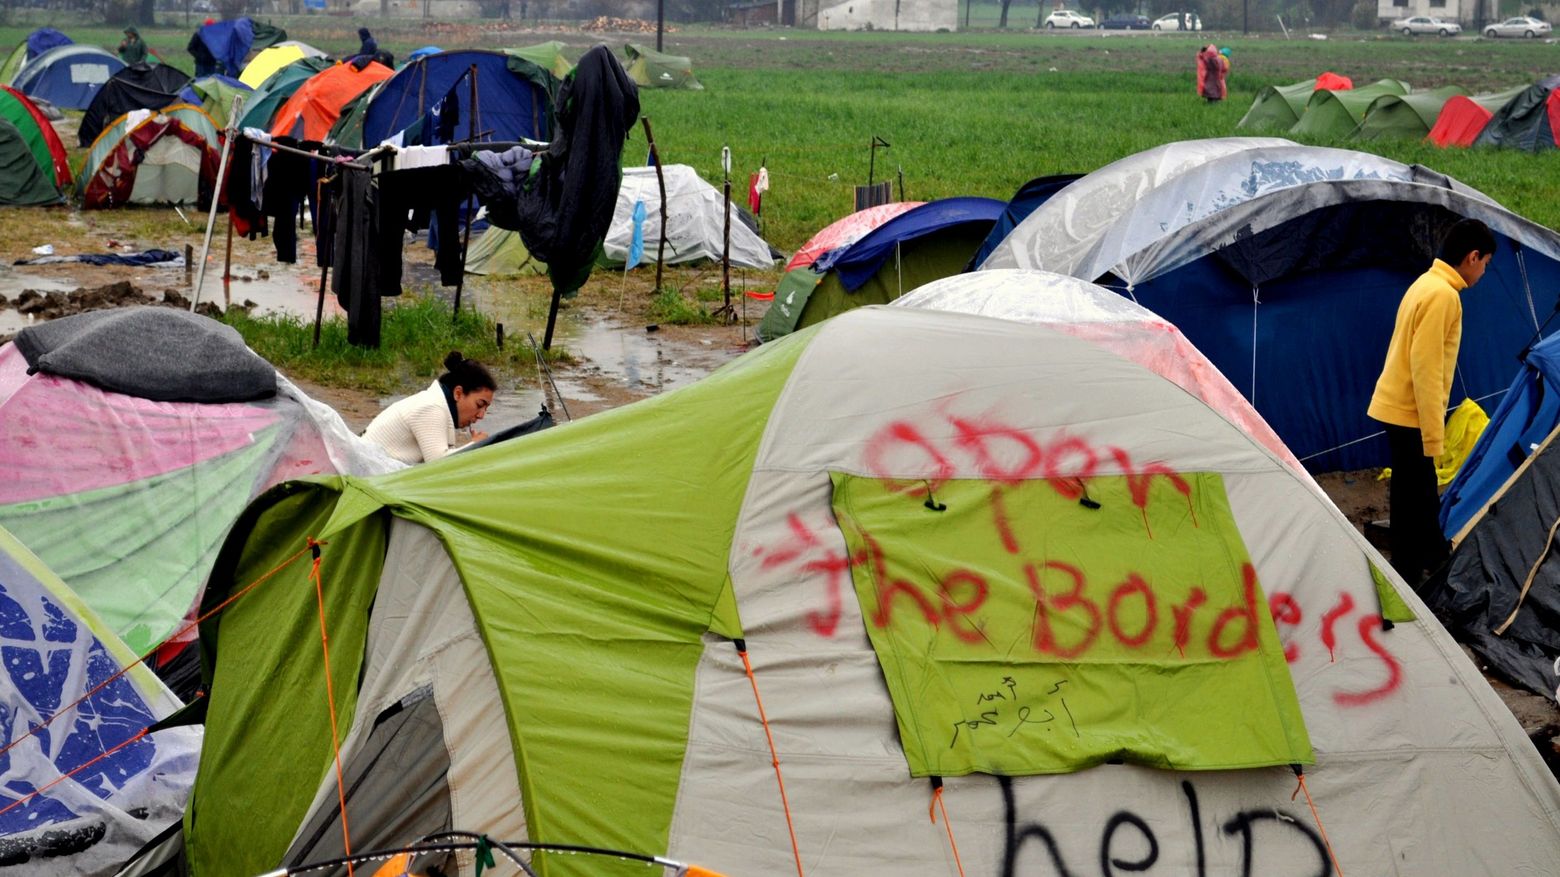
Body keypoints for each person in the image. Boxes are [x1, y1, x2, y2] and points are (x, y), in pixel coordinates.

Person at [1368, 218, 1496, 586]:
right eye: (1485, 263)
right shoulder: (1444, 296)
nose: (1483, 272)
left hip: (1397, 406)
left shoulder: (1426, 282)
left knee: (1416, 492)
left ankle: (1426, 557)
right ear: (1472, 257)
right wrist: (1432, 432)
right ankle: (1412, 572)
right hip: (1411, 412)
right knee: (1415, 495)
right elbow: (1426, 368)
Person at [363, 351, 496, 464]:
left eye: (486, 408)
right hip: (362, 475)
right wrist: (475, 445)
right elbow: (438, 465)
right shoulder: (431, 407)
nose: (481, 415)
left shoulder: (434, 402)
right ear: (458, 393)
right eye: (479, 405)